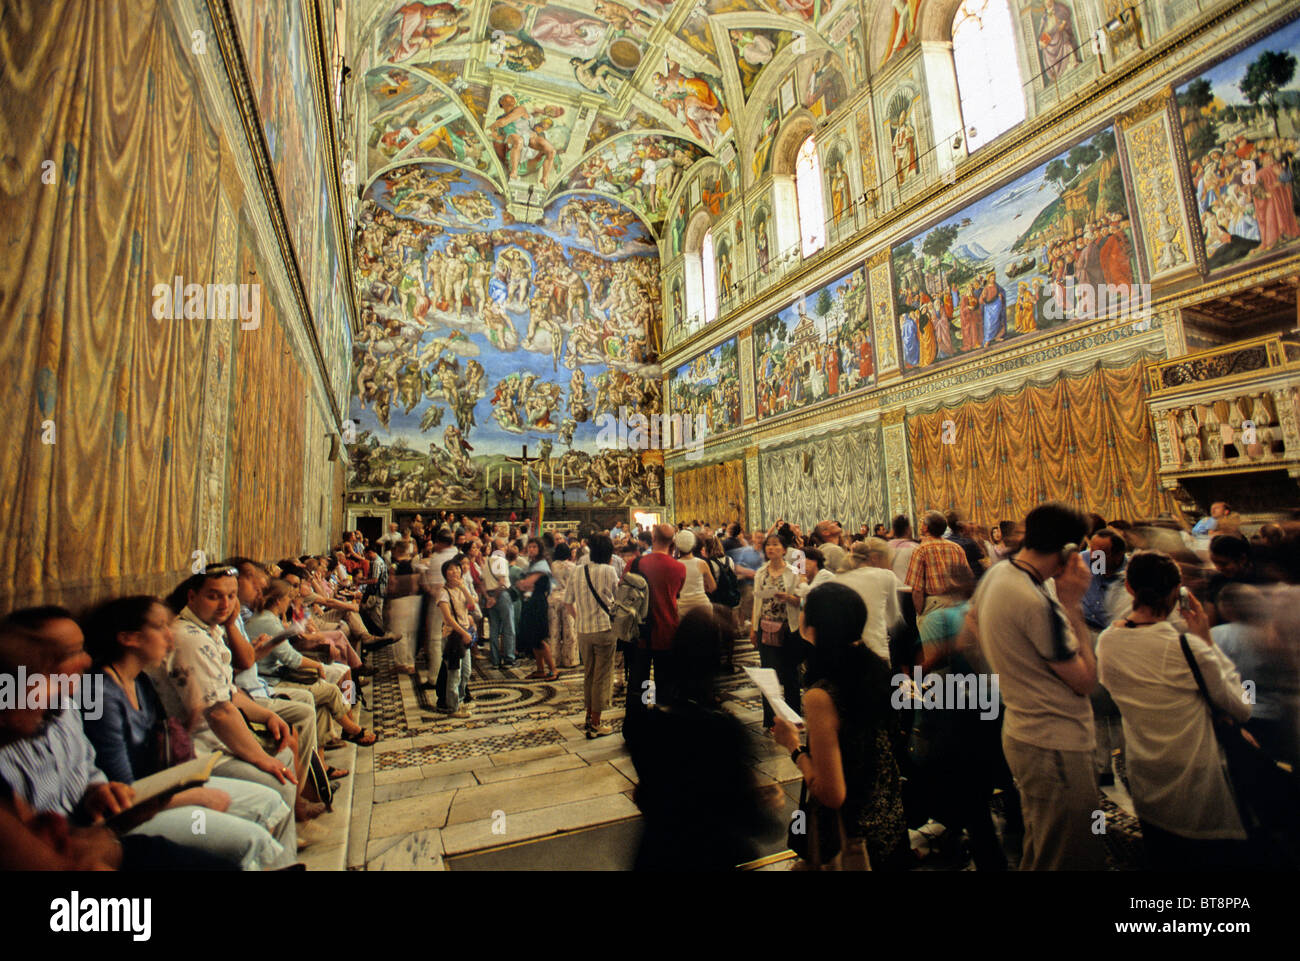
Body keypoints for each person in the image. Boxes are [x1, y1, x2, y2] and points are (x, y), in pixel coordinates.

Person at [79, 595, 297, 868]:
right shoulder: (101, 693)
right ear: (128, 638)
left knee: (270, 799)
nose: (170, 636)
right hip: (133, 813)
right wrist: (196, 795)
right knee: (250, 839)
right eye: (160, 627)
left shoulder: (140, 682)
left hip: (160, 789)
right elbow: (123, 787)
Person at [1097, 551, 1252, 869]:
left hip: (1144, 771)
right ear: (1176, 592)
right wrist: (1206, 639)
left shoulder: (1107, 642)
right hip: (1197, 777)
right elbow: (1240, 706)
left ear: (1128, 588)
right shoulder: (1188, 647)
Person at [972, 502, 1105, 870]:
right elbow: (1085, 681)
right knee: (1069, 854)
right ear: (1068, 549)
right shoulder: (1035, 601)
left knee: (1043, 845)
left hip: (1023, 730)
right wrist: (1073, 606)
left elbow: (973, 627)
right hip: (1054, 743)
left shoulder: (998, 576)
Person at [624, 607, 783, 870]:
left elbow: (646, 795)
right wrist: (766, 804)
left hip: (656, 855)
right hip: (709, 855)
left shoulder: (645, 724)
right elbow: (751, 820)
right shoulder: (724, 731)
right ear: (717, 660)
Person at [772, 583, 910, 870]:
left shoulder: (821, 696)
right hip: (890, 815)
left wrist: (794, 747)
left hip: (854, 836)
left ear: (814, 626)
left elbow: (833, 793)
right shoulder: (877, 669)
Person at [627, 524, 687, 713]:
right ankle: (663, 724)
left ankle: (638, 724)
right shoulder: (679, 568)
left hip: (640, 632)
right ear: (672, 542)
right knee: (665, 683)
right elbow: (677, 592)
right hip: (668, 629)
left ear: (653, 538)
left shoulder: (635, 564)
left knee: (640, 683)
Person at [565, 533, 620, 738]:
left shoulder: (577, 571)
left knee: (589, 673)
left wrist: (580, 618)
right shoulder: (609, 570)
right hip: (605, 629)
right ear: (609, 553)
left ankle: (589, 717)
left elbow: (567, 602)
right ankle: (596, 723)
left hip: (583, 630)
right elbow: (618, 598)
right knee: (602, 675)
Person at [750, 534, 802, 733]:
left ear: (783, 549)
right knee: (768, 674)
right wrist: (754, 629)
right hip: (766, 627)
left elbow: (801, 600)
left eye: (775, 545)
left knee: (790, 675)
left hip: (789, 627)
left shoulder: (793, 572)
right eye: (768, 546)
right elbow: (757, 602)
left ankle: (793, 717)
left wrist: (788, 597)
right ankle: (771, 720)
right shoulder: (761, 573)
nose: (771, 548)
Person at [835, 539, 903, 664]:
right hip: (876, 648)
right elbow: (893, 617)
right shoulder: (886, 576)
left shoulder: (839, 577)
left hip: (845, 650)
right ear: (876, 558)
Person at [907, 511, 971, 627]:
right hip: (957, 604)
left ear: (926, 528)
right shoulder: (956, 548)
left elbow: (917, 590)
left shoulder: (920, 550)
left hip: (934, 606)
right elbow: (968, 578)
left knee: (934, 645)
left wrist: (920, 613)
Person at [435, 557, 477, 717]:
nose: (455, 572)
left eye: (457, 568)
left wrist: (463, 587)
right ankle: (452, 707)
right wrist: (463, 633)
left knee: (466, 671)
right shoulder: (443, 592)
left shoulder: (460, 588)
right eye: (451, 569)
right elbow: (448, 619)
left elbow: (472, 605)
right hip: (452, 636)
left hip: (464, 635)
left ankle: (460, 700)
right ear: (445, 573)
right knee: (454, 673)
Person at [517, 538, 558, 681]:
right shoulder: (532, 564)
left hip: (538, 603)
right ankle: (540, 669)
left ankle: (553, 669)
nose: (531, 549)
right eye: (530, 547)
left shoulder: (541, 565)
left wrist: (525, 584)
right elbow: (522, 586)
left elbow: (525, 583)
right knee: (533, 638)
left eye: (534, 547)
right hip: (530, 602)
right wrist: (524, 584)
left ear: (540, 549)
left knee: (540, 638)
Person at [548, 543, 579, 668]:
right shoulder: (573, 566)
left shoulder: (552, 566)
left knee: (554, 630)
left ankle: (554, 659)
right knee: (570, 630)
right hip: (569, 599)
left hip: (553, 598)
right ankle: (570, 659)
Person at [674, 529, 717, 617]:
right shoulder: (701, 563)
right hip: (703, 605)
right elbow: (712, 587)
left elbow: (674, 589)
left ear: (677, 546)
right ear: (694, 545)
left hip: (683, 607)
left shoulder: (675, 565)